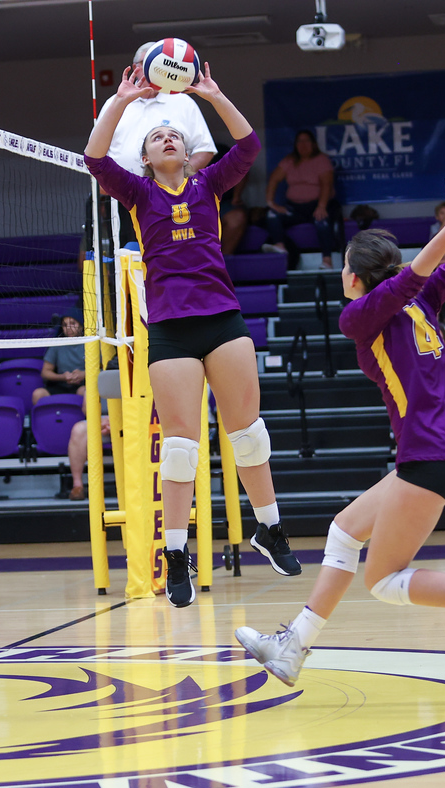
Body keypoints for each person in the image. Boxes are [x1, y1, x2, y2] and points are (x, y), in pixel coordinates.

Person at [234, 173, 445, 687]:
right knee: (344, 530)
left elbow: (432, 268)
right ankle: (293, 647)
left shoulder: (359, 318)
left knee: (381, 581)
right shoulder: (420, 300)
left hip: (430, 456)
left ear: (354, 277)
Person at [86, 62, 301, 606]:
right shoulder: (136, 193)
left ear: (186, 153)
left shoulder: (208, 184)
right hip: (171, 332)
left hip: (222, 320)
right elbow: (93, 157)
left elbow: (248, 147)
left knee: (248, 434)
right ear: (146, 156)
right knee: (181, 447)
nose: (165, 137)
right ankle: (176, 554)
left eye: (174, 135)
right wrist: (121, 101)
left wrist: (214, 94)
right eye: (157, 136)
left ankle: (269, 529)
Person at [96, 41, 217, 248]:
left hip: (169, 199)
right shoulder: (115, 103)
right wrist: (104, 186)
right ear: (137, 68)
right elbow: (96, 153)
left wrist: (181, 178)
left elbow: (205, 148)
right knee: (122, 259)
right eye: (157, 63)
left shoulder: (182, 101)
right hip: (121, 198)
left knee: (168, 252)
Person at [263, 129, 342, 269]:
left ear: (313, 144)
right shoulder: (289, 161)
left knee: (322, 222)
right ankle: (280, 246)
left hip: (317, 206)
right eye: (299, 141)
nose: (303, 144)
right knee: (271, 214)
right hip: (295, 208)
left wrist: (322, 206)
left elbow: (327, 184)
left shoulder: (321, 160)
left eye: (306, 141)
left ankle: (327, 261)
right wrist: (271, 202)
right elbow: (274, 179)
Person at [32, 314, 86, 407]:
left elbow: (103, 369)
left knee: (85, 392)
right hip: (61, 385)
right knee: (38, 394)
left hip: (84, 384)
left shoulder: (92, 343)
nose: (68, 328)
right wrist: (63, 377)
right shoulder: (58, 344)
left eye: (73, 323)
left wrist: (84, 374)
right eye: (65, 325)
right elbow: (45, 372)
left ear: (82, 325)